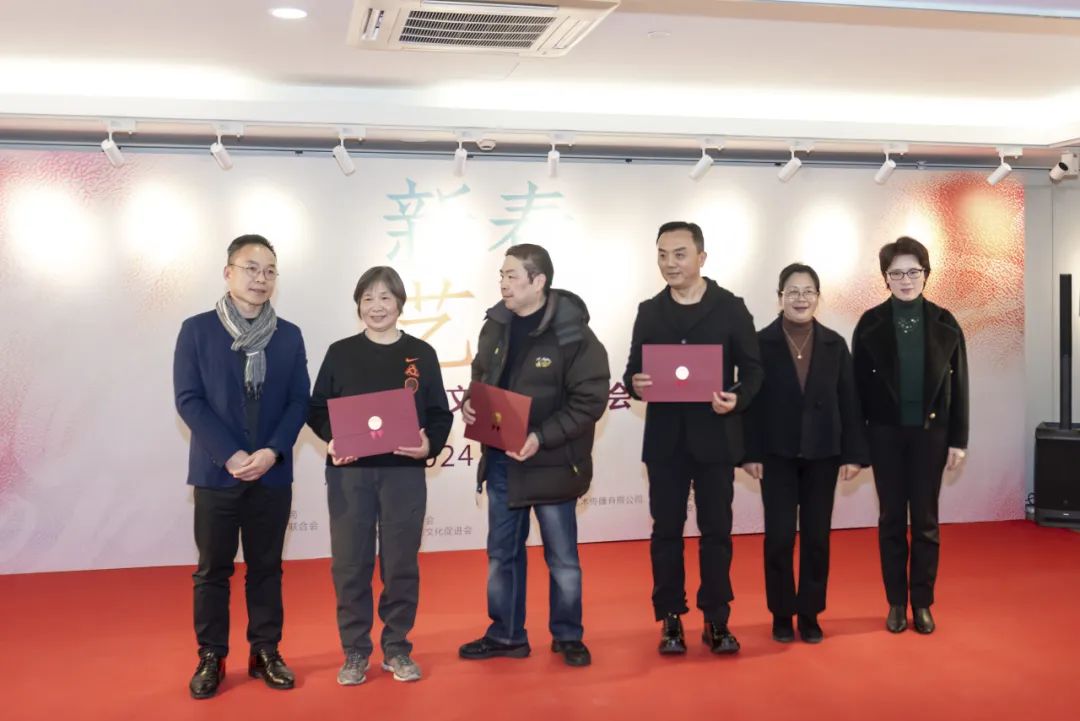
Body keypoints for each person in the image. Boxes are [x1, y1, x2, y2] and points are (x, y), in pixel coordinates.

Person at [458, 243, 609, 668]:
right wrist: (471, 403)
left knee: (562, 559)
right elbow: (480, 375)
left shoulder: (573, 333)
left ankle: (568, 636)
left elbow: (590, 400)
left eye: (512, 276)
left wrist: (542, 437)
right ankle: (506, 635)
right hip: (502, 458)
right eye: (501, 275)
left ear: (538, 281)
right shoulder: (496, 324)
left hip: (553, 461)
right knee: (501, 554)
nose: (503, 283)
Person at [174, 234, 310, 699]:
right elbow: (189, 400)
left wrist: (272, 451)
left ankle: (265, 651)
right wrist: (229, 454)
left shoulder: (289, 335)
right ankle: (211, 655)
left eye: (270, 270)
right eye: (251, 268)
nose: (261, 278)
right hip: (217, 473)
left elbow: (299, 401)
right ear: (228, 272)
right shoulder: (197, 330)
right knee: (212, 570)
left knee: (266, 567)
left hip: (272, 473)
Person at [623, 221, 764, 656]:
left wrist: (736, 398)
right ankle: (670, 618)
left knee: (716, 531)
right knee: (666, 532)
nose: (670, 263)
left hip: (715, 439)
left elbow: (754, 371)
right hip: (665, 443)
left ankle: (716, 619)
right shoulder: (650, 310)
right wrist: (636, 384)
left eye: (680, 254)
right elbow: (632, 372)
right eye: (662, 254)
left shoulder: (730, 307)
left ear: (701, 257)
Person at [308, 266, 453, 685]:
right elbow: (316, 408)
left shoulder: (421, 354)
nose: (376, 306)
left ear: (400, 304)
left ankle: (397, 648)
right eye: (368, 298)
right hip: (350, 475)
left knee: (401, 563)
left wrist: (429, 446)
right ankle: (355, 651)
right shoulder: (340, 352)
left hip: (403, 474)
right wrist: (332, 438)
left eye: (385, 297)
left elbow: (440, 414)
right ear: (358, 305)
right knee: (350, 565)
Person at [742, 263, 868, 644]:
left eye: (808, 291)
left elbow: (850, 401)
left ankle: (810, 614)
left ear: (818, 297)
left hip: (822, 455)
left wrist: (853, 454)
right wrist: (749, 454)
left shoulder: (834, 344)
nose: (801, 298)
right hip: (776, 455)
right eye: (792, 292)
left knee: (817, 538)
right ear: (780, 297)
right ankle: (782, 613)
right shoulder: (759, 343)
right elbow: (749, 405)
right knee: (779, 538)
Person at [852, 236, 969, 635]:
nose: (906, 280)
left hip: (930, 436)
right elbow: (855, 391)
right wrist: (857, 444)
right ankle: (895, 603)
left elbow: (960, 386)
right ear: (885, 277)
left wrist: (958, 440)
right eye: (897, 273)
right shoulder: (870, 323)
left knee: (925, 521)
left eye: (913, 272)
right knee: (890, 520)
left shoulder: (945, 322)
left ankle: (922, 602)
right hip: (884, 435)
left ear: (926, 274)